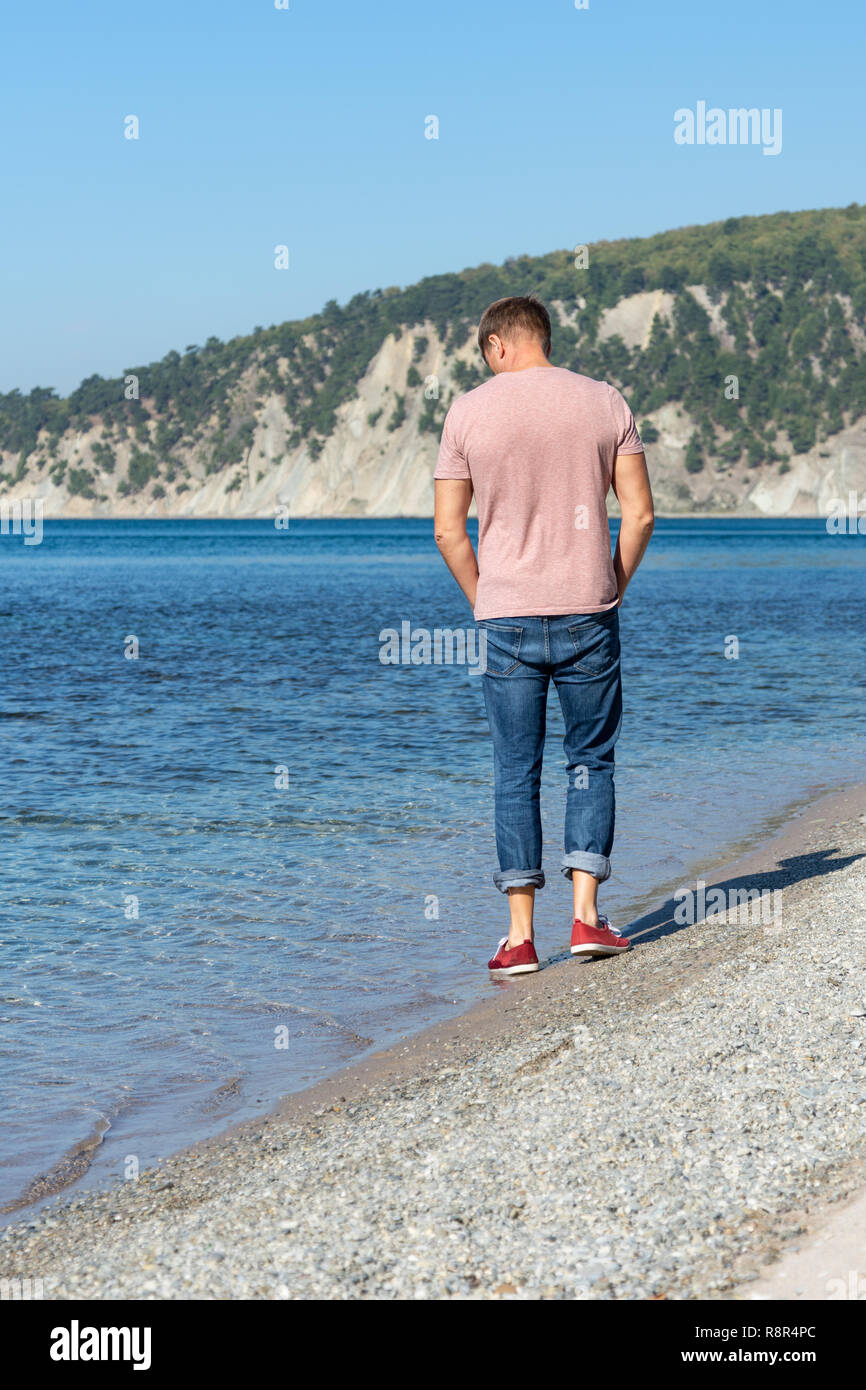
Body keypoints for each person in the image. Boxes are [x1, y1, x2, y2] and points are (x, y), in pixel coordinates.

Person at [433, 295, 654, 976]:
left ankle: (520, 938)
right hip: (590, 609)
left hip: (507, 618)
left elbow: (448, 530)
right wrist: (607, 583)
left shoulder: (468, 412)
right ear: (542, 339)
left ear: (499, 344)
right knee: (590, 759)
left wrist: (487, 599)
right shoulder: (604, 401)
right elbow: (641, 515)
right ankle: (587, 919)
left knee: (514, 769)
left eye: (485, 354)